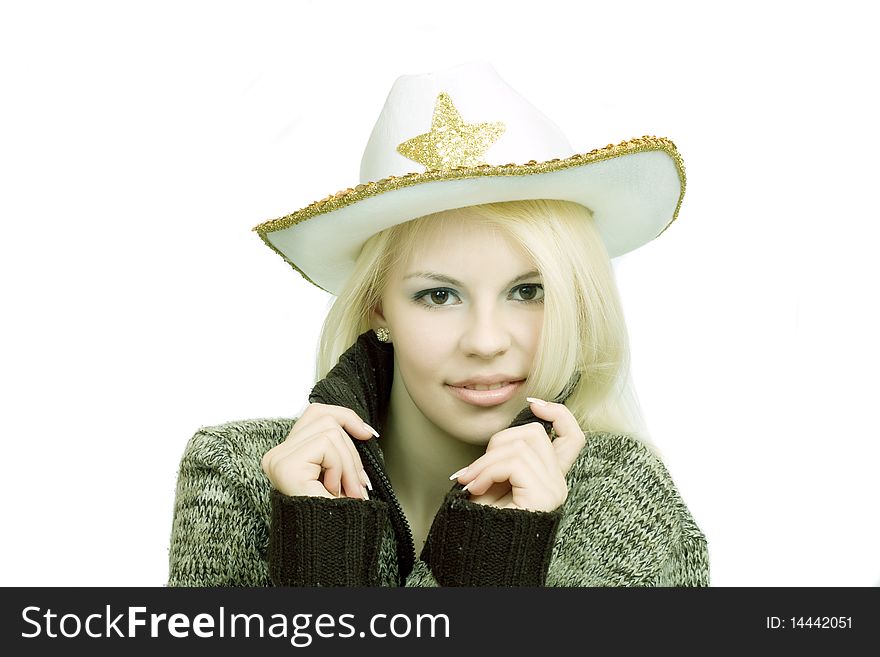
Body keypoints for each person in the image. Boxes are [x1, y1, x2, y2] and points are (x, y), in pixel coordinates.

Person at [167, 61, 710, 587]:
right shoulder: (238, 475)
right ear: (378, 306)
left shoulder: (622, 494)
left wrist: (494, 545)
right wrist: (318, 545)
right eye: (440, 294)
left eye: (528, 291)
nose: (487, 341)